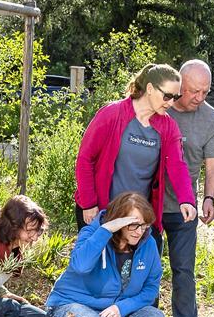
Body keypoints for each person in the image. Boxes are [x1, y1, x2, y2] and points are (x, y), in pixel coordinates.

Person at [45, 192, 166, 317]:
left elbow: (151, 288)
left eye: (144, 225)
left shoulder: (147, 243)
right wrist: (105, 230)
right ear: (117, 221)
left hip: (111, 312)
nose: (139, 231)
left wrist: (123, 307)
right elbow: (81, 265)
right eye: (133, 224)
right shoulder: (92, 233)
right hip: (69, 308)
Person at [74, 63, 198, 233]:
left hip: (136, 219)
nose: (170, 103)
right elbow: (85, 159)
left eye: (175, 97)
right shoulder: (112, 114)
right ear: (149, 88)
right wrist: (89, 204)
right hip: (99, 211)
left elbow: (177, 165)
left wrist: (186, 199)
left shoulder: (168, 127)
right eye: (167, 96)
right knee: (96, 260)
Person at [162, 60, 214, 317]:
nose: (199, 97)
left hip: (184, 208)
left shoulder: (211, 119)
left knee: (183, 270)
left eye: (205, 91)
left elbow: (213, 166)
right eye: (193, 91)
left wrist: (209, 198)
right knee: (142, 268)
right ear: (179, 86)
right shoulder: (160, 108)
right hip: (149, 204)